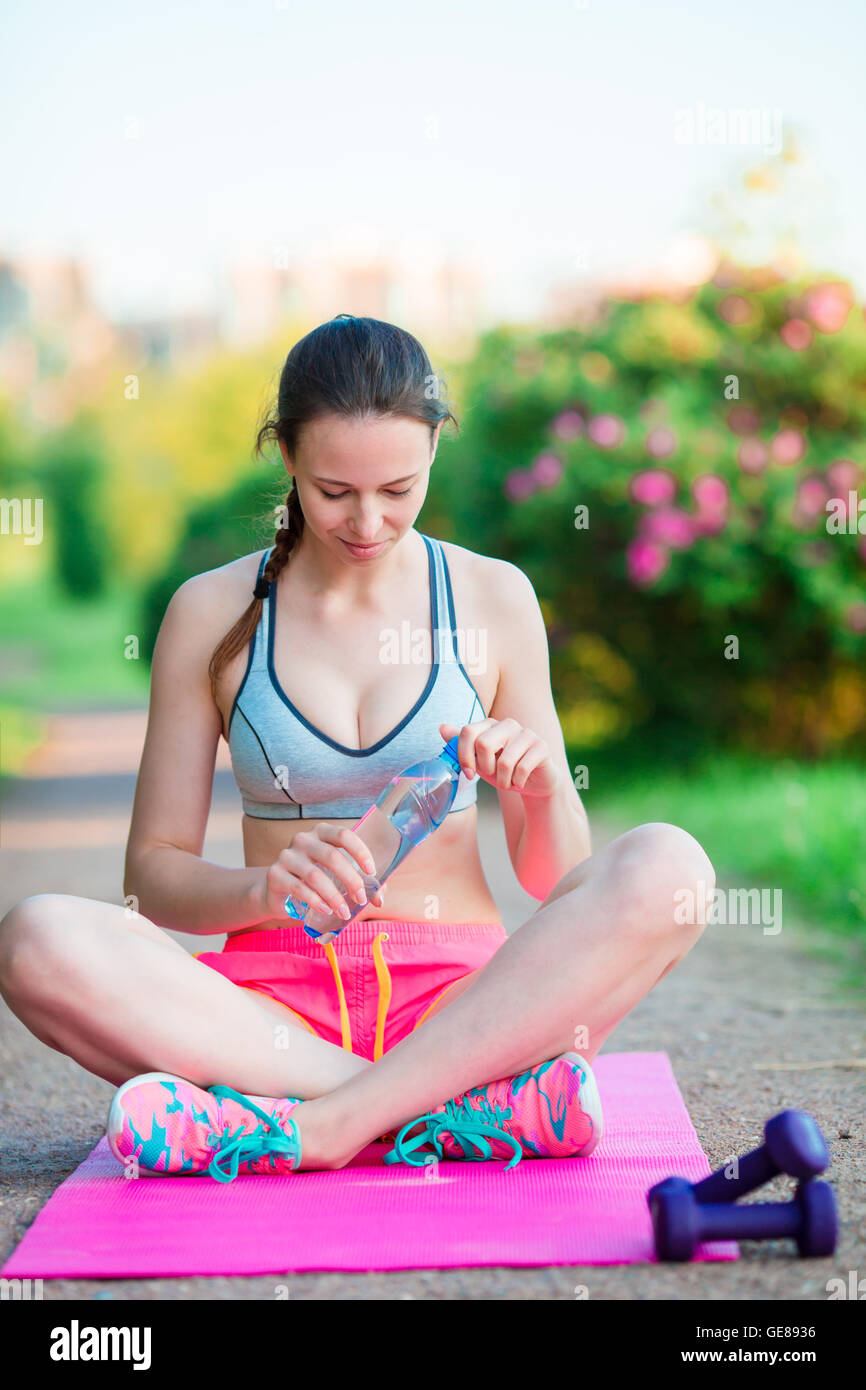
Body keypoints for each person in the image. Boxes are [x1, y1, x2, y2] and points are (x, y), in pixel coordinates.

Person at [0, 315, 715, 1182]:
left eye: (398, 489)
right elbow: (150, 877)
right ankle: (441, 1112)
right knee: (35, 938)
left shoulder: (494, 598)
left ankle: (305, 1127)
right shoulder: (209, 611)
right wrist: (263, 888)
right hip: (269, 1020)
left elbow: (551, 875)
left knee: (671, 868)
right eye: (334, 491)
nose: (368, 521)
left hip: (467, 1005)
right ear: (287, 457)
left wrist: (535, 787)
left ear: (435, 453)